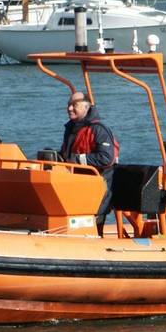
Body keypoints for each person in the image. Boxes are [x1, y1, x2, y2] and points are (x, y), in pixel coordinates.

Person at [60, 91, 118, 234]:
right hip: (77, 186)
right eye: (69, 105)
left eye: (75, 105)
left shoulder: (99, 130)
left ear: (86, 107)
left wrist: (78, 160)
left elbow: (106, 158)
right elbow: (67, 155)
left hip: (98, 189)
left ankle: (96, 238)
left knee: (94, 223)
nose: (69, 108)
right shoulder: (71, 129)